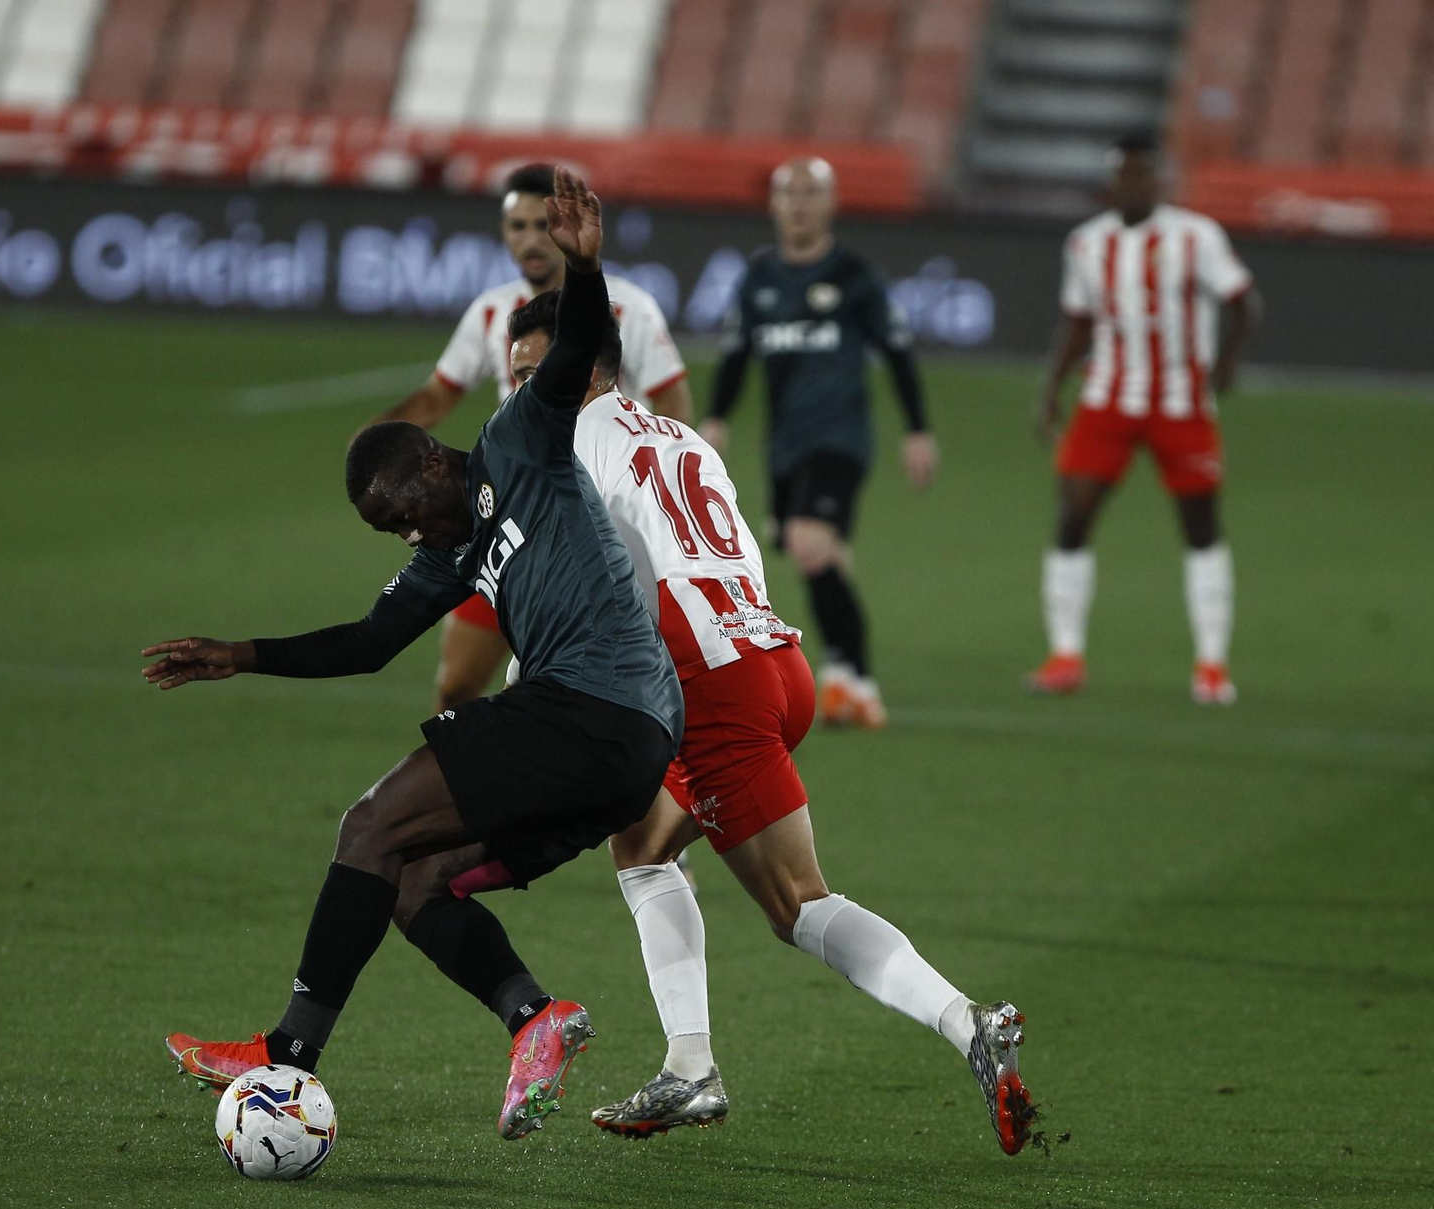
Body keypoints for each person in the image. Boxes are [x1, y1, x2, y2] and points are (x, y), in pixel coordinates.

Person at [147, 169, 684, 1141]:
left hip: (596, 707)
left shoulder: (518, 440)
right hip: (616, 753)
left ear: (433, 465)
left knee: (365, 823)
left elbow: (569, 354)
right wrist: (240, 654)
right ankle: (537, 1017)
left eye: (399, 514)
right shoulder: (451, 549)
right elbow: (366, 644)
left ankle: (287, 1055)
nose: (402, 536)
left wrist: (589, 266)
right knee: (407, 875)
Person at [502, 293, 1035, 1156]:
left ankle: (966, 1022)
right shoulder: (677, 436)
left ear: (585, 371)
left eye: (531, 375)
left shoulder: (572, 449)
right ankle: (689, 1066)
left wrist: (525, 692)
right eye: (513, 376)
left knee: (796, 905)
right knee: (640, 847)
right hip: (768, 658)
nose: (517, 394)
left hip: (711, 689)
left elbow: (588, 593)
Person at [371, 162, 692, 714]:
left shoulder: (627, 309)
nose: (528, 240)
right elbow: (439, 395)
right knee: (456, 686)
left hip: (602, 520)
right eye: (515, 226)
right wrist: (377, 443)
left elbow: (673, 397)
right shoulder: (495, 311)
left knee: (611, 689)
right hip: (514, 518)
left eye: (540, 225)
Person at [702, 156, 939, 731]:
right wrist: (716, 417)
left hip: (840, 439)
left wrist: (917, 428)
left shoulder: (855, 276)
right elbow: (736, 357)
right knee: (818, 555)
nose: (801, 204)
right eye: (790, 194)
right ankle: (850, 679)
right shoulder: (759, 280)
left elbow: (898, 352)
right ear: (775, 205)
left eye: (813, 194)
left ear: (831, 204)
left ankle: (852, 679)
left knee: (809, 544)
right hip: (785, 445)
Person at [1029, 132, 1260, 704]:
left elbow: (1242, 302)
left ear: (1159, 180)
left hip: (1181, 402)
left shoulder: (1196, 236)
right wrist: (1053, 388)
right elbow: (1079, 320)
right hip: (1108, 397)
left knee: (1200, 524)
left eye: (1144, 175)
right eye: (1126, 176)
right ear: (1112, 183)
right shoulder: (1086, 244)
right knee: (1073, 516)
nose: (1135, 185)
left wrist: (1226, 366)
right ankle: (1065, 656)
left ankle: (1211, 665)